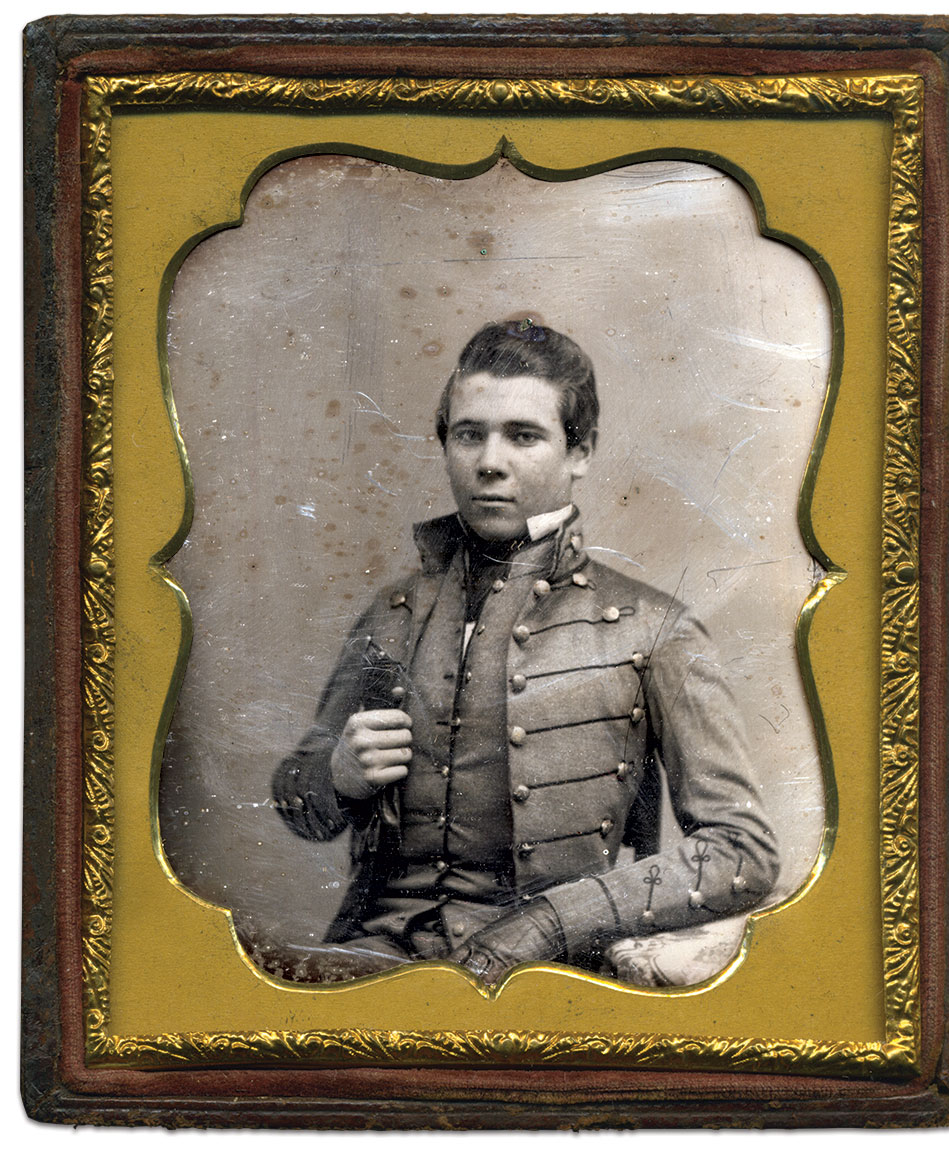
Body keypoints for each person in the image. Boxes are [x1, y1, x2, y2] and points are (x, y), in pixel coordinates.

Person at [272, 320, 779, 985]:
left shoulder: (655, 630)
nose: (489, 460)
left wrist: (550, 920)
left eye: (523, 435)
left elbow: (741, 850)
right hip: (372, 967)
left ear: (581, 451)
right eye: (469, 433)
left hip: (549, 980)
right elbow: (297, 799)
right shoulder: (391, 614)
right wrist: (336, 775)